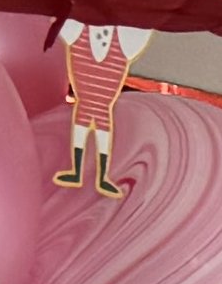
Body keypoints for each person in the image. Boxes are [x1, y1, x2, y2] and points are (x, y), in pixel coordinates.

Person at [52, 23, 154, 199]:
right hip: (83, 98)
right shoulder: (79, 31)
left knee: (102, 125)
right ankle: (77, 172)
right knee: (82, 122)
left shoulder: (124, 41)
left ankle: (101, 177)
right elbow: (63, 22)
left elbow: (142, 30)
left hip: (105, 102)